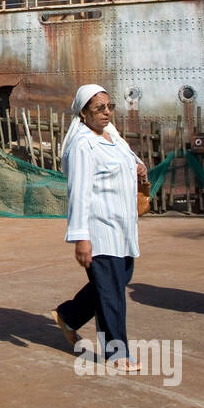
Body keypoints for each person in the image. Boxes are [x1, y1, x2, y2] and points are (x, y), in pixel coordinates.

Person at [51, 84, 147, 372]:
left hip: (123, 228)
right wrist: (81, 238)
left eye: (109, 106)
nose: (107, 113)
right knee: (111, 293)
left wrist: (139, 166)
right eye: (99, 108)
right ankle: (116, 353)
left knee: (115, 282)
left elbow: (128, 158)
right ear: (83, 113)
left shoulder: (111, 135)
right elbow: (78, 193)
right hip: (100, 229)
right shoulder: (83, 145)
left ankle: (69, 315)